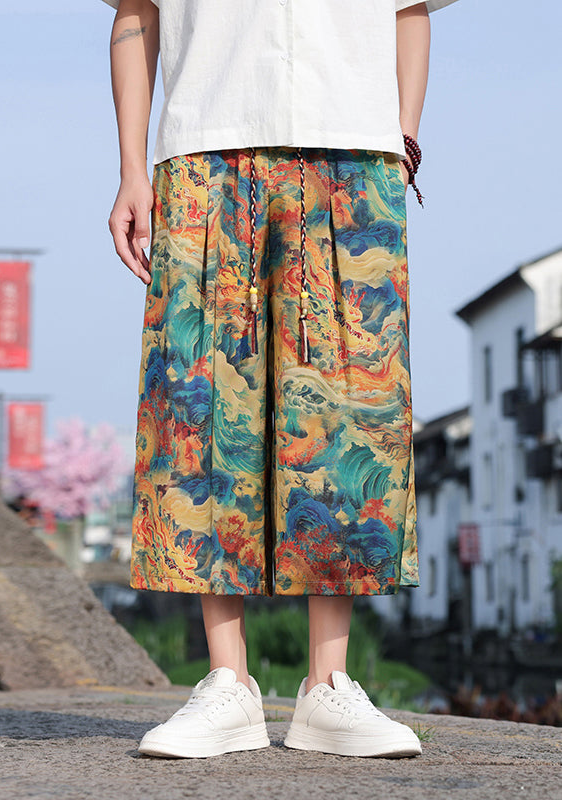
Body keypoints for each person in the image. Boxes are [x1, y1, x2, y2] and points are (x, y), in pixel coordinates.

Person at [102, 0, 458, 759]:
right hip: (203, 144)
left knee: (346, 414)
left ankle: (329, 686)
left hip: (352, 151)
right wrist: (131, 168)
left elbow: (410, 9)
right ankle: (226, 681)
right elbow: (137, 12)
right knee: (201, 403)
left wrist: (401, 140)